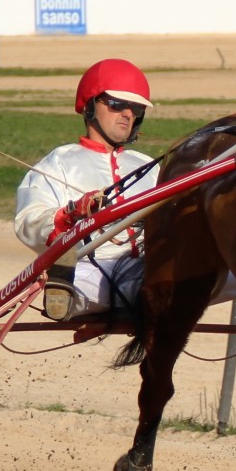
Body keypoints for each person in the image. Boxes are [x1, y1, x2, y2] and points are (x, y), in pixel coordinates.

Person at [14, 58, 160, 320]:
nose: (127, 114)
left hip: (146, 269)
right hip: (90, 267)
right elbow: (28, 220)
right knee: (80, 283)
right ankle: (64, 291)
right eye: (117, 104)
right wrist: (69, 214)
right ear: (90, 105)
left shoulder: (148, 166)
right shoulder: (59, 162)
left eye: (136, 108)